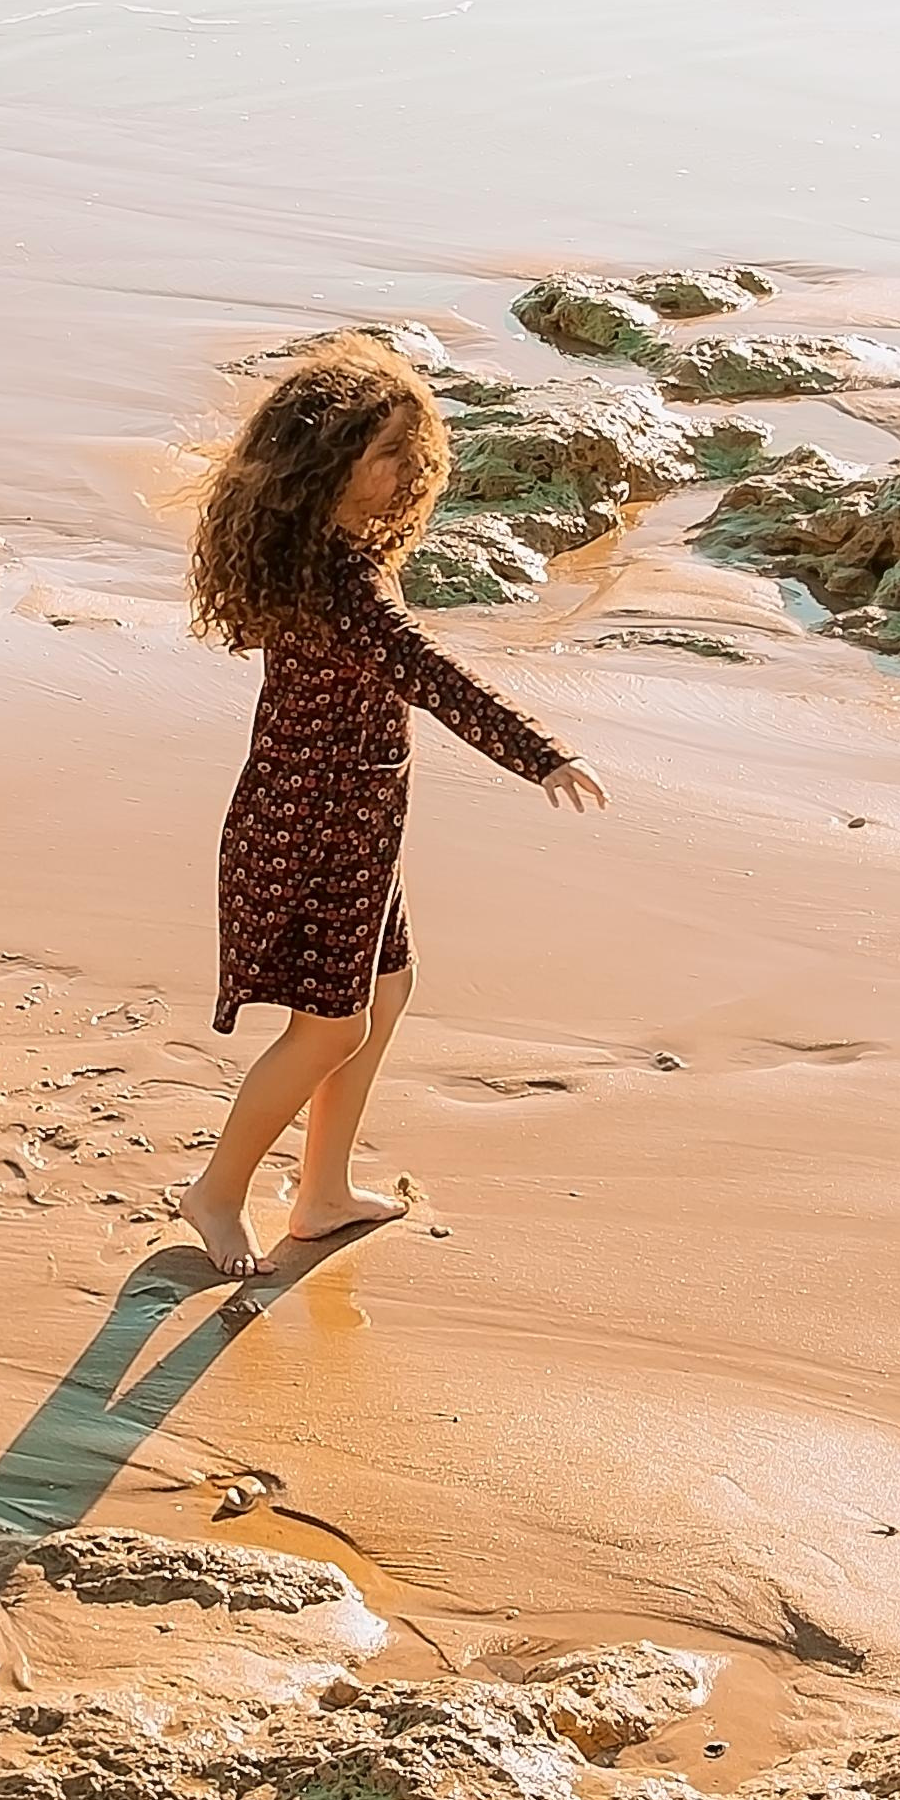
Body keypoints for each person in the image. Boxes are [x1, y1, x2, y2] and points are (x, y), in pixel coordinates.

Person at [177, 333, 606, 1297]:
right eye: (390, 455)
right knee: (329, 1025)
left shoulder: (315, 551)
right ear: (325, 468)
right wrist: (542, 752)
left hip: (345, 819)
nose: (415, 471)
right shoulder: (344, 585)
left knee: (390, 991)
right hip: (316, 827)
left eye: (418, 450)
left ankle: (320, 1189)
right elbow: (434, 676)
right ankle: (216, 1188)